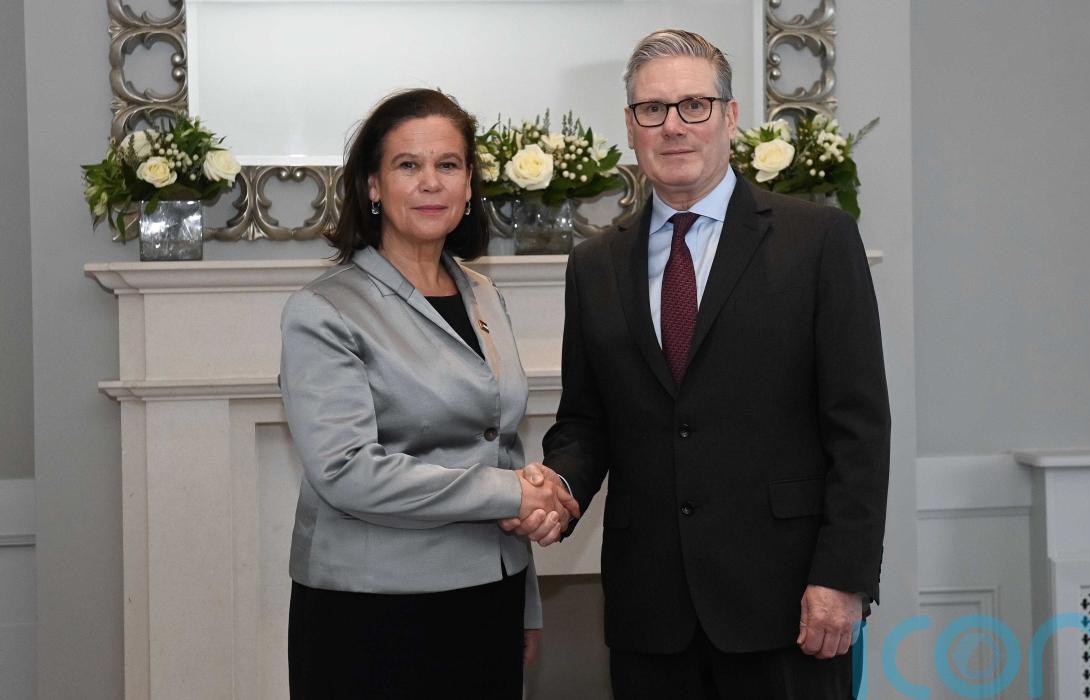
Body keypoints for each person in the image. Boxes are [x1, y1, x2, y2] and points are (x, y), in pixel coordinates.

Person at [510, 29, 891, 698]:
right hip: (650, 612)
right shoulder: (594, 263)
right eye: (652, 109)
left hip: (788, 602)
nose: (673, 125)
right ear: (630, 126)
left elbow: (859, 425)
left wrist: (842, 576)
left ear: (730, 116)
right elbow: (586, 422)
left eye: (694, 105)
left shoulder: (817, 240)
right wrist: (560, 489)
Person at [280, 88, 578, 699]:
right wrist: (510, 492)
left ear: (468, 185)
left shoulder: (483, 294)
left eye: (448, 164)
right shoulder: (323, 310)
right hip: (372, 613)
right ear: (372, 185)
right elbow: (345, 471)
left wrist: (525, 600)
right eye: (407, 165)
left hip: (489, 599)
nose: (430, 183)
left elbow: (500, 443)